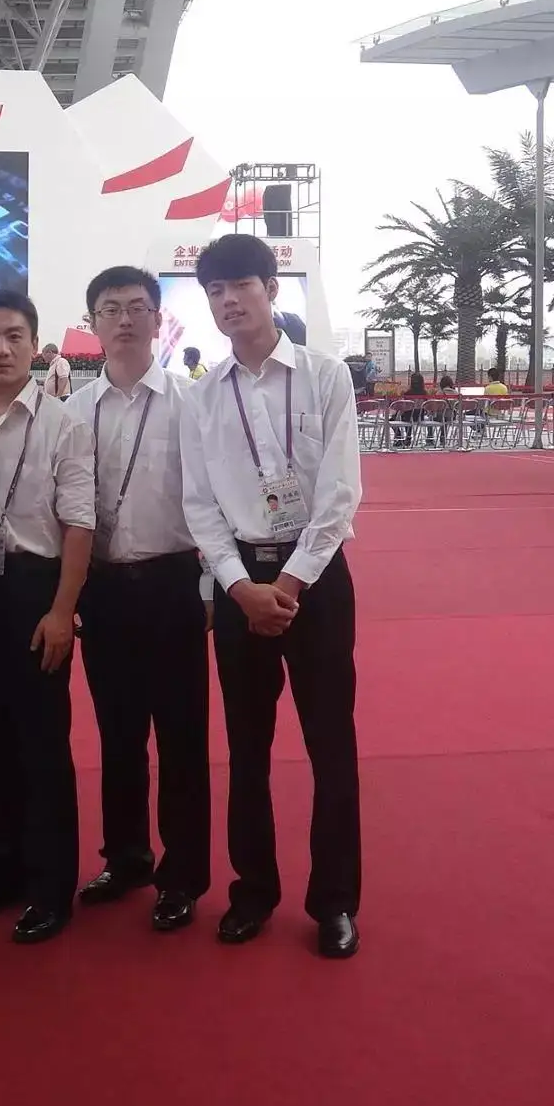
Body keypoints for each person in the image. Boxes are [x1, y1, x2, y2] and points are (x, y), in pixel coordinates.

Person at [176, 234, 365, 959]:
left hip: (315, 582)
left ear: (271, 289)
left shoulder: (324, 376)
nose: (228, 301)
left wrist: (288, 583)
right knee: (246, 748)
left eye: (240, 286)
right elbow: (200, 505)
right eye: (215, 291)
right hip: (239, 585)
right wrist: (239, 587)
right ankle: (253, 890)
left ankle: (335, 902)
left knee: (330, 744)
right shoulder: (202, 396)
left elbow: (340, 492)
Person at [65, 266, 209, 931]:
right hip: (103, 591)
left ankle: (183, 876)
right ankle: (125, 858)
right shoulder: (73, 412)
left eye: (136, 307)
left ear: (157, 319)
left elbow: (214, 503)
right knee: (117, 736)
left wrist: (209, 590)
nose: (124, 320)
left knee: (181, 738)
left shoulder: (191, 403)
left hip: (173, 585)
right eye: (110, 309)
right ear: (92, 322)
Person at [0, 289, 95, 944]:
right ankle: (3, 868)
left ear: (36, 346)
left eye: (14, 336)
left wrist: (63, 611)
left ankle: (50, 887)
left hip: (37, 589)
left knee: (41, 746)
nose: (1, 349)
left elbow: (79, 524)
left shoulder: (63, 423)